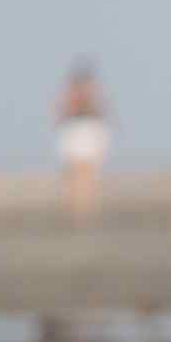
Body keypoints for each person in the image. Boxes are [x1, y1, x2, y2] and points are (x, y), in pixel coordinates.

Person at [55, 59, 109, 222]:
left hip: (86, 130)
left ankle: (84, 209)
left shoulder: (91, 93)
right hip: (78, 130)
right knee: (77, 174)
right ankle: (78, 209)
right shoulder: (73, 94)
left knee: (86, 174)